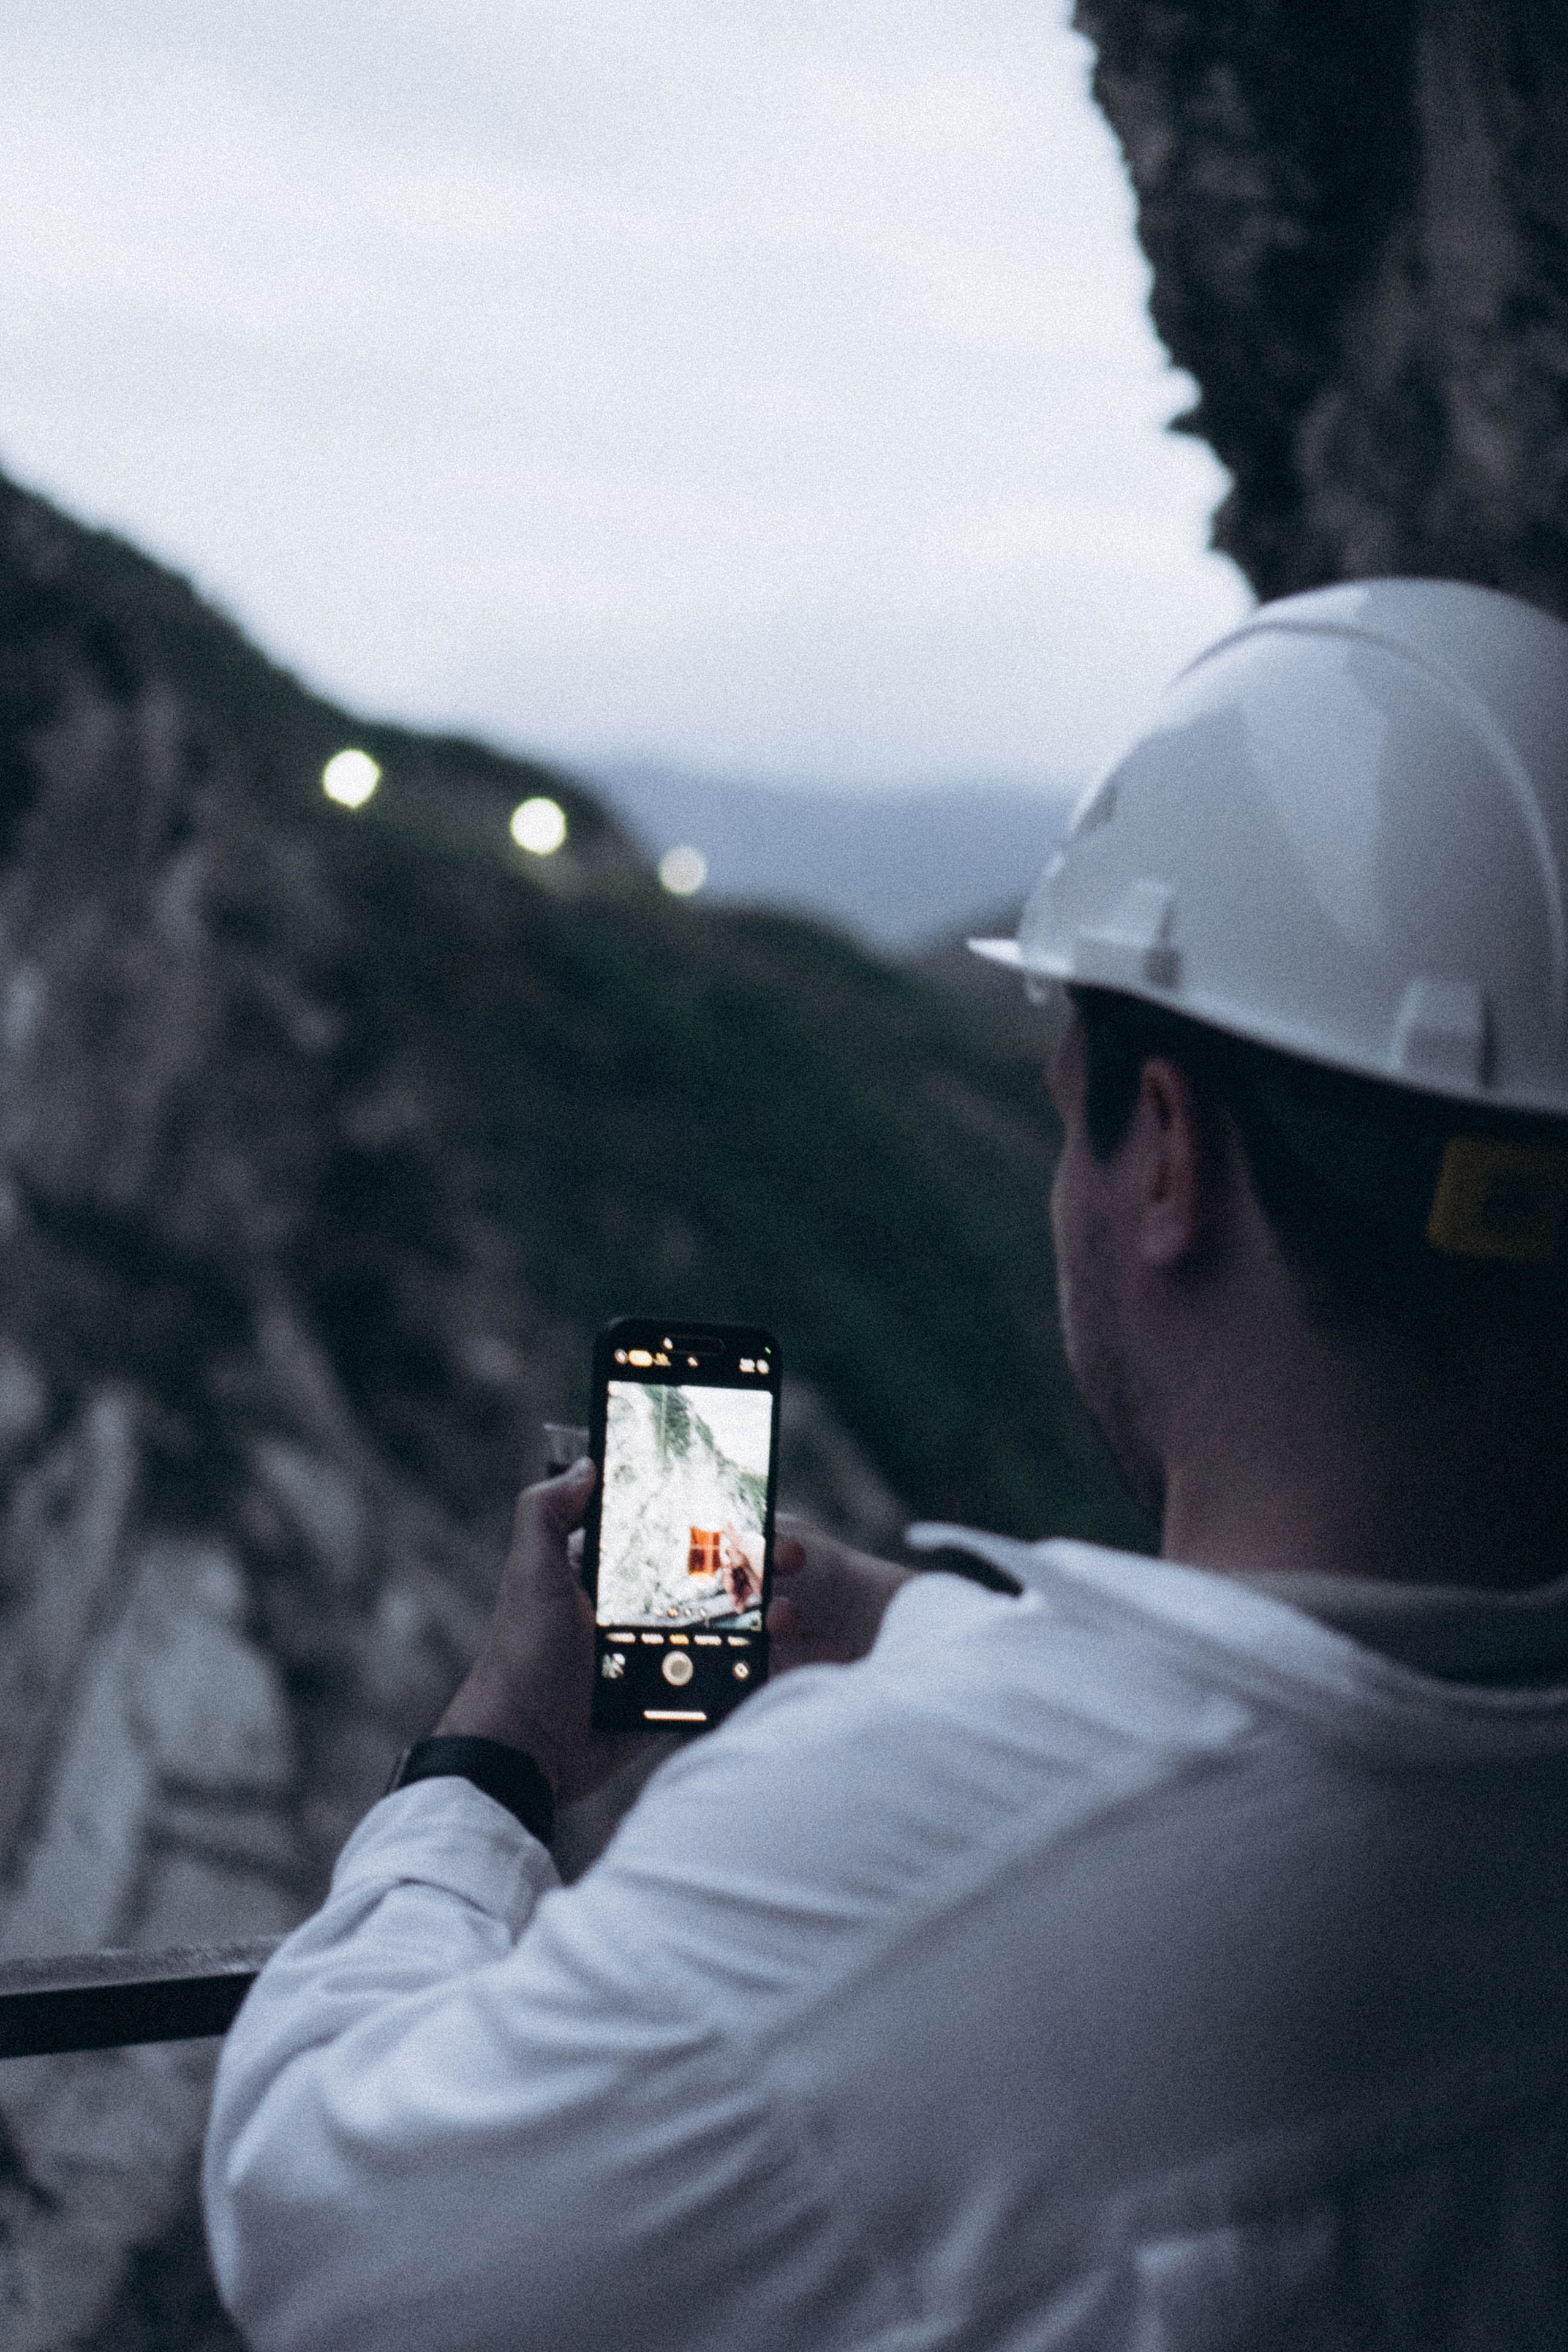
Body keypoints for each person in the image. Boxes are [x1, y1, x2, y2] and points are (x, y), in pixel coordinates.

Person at [204, 579, 1568, 2350]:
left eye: (1064, 1113)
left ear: (1166, 1152)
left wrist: (489, 1764)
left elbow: (323, 2231)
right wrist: (911, 1629)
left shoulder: (869, 1871)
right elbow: (1314, 1723)